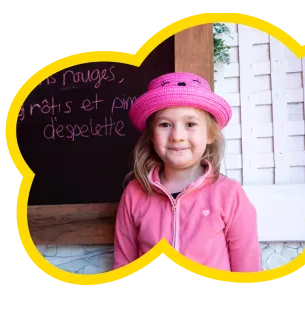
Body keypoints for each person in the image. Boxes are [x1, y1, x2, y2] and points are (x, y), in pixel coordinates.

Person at [112, 71, 262, 272]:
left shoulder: (229, 194)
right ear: (151, 136)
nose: (177, 136)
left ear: (209, 134)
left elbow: (248, 268)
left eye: (190, 124)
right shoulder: (134, 193)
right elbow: (124, 266)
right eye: (165, 125)